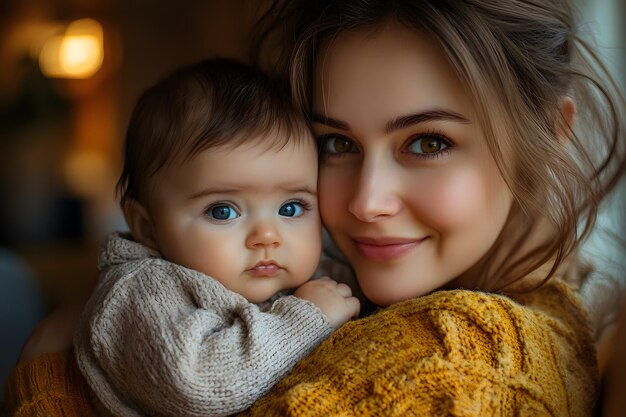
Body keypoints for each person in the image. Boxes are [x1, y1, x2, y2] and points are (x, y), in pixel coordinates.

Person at [4, 0, 626, 416]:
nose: (365, 202)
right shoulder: (345, 286)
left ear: (550, 134)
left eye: (428, 142)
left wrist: (45, 383)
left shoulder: (458, 366)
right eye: (336, 144)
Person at [23, 58, 362, 417]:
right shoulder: (143, 291)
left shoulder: (313, 269)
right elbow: (198, 384)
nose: (267, 236)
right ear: (147, 226)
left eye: (292, 208)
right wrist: (305, 317)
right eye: (223, 211)